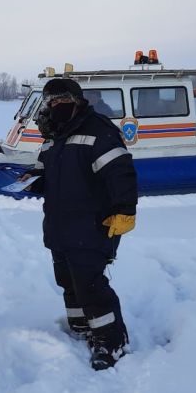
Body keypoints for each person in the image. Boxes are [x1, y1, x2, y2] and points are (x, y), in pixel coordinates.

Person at [26, 78, 138, 370]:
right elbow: (45, 170)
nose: (57, 106)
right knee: (67, 279)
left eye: (63, 100)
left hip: (90, 224)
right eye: (52, 101)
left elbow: (121, 173)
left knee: (91, 285)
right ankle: (81, 325)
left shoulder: (98, 130)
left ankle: (110, 343)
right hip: (59, 224)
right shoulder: (53, 134)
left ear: (77, 100)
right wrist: (29, 180)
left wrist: (125, 210)